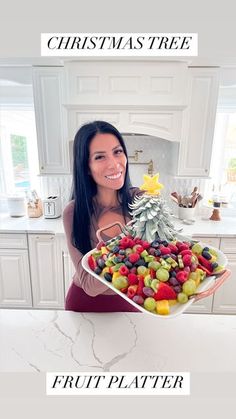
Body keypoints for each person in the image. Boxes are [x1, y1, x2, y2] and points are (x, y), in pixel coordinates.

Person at [63, 120, 142, 312]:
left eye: (117, 152)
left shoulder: (140, 201)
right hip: (84, 306)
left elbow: (162, 259)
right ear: (86, 167)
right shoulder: (74, 212)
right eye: (99, 157)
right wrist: (128, 248)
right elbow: (90, 285)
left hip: (134, 299)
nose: (114, 165)